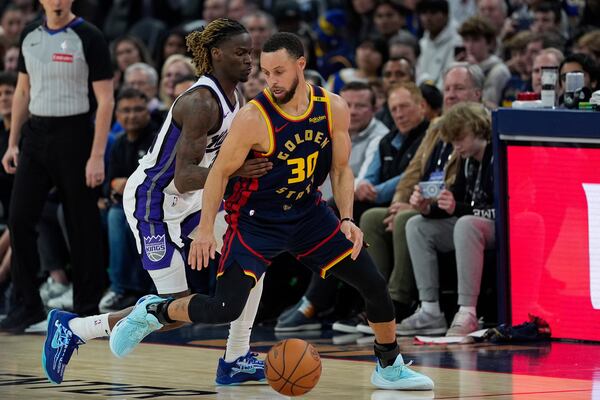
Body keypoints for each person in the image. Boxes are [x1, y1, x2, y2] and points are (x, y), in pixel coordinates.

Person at [108, 32, 434, 391]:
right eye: (265, 73)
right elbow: (218, 174)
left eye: (279, 72)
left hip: (308, 215)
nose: (271, 81)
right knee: (225, 308)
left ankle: (388, 366)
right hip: (255, 221)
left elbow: (341, 170)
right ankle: (154, 311)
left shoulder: (332, 107)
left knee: (373, 285)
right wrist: (204, 229)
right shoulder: (253, 117)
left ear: (301, 66)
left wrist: (346, 218)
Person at [42, 18, 272, 386]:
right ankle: (76, 328)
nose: (250, 60)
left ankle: (236, 357)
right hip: (155, 203)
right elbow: (184, 176)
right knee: (176, 310)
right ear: (216, 55)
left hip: (197, 199)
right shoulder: (201, 102)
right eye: (241, 53)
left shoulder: (235, 98)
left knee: (253, 258)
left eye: (252, 53)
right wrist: (240, 172)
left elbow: (210, 172)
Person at [1, 0, 114, 333]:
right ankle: (28, 305)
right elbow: (22, 90)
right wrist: (12, 142)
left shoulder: (89, 36)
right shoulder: (29, 34)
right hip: (36, 134)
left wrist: (96, 155)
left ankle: (87, 308)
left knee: (82, 225)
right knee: (19, 219)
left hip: (75, 134)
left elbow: (106, 100)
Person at [398, 102, 495, 337]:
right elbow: (457, 204)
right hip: (472, 224)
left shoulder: (496, 156)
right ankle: (430, 310)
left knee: (466, 224)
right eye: (452, 140)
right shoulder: (467, 158)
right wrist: (429, 209)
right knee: (416, 224)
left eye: (460, 137)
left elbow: (498, 209)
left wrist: (458, 208)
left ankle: (467, 311)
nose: (456, 145)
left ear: (477, 129)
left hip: (500, 225)